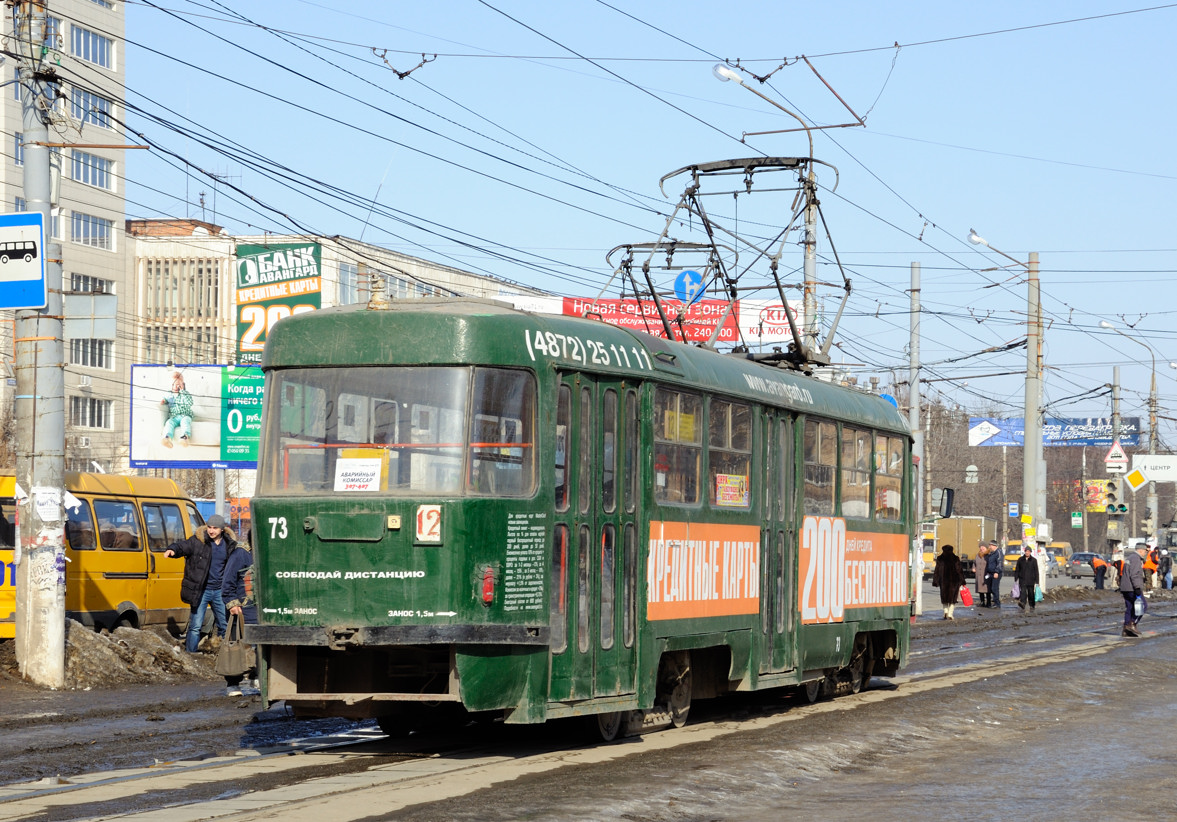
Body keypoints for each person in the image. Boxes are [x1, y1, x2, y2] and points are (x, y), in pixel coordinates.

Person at [165, 514, 233, 652]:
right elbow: (182, 546)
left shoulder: (229, 545)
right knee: (195, 626)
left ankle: (223, 654)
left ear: (222, 529)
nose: (211, 531)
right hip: (201, 590)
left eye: (215, 528)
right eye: (209, 527)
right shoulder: (198, 541)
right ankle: (191, 654)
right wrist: (173, 549)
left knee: (225, 625)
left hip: (220, 590)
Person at [221, 533, 257, 697]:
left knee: (259, 648)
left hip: (260, 613)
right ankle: (233, 683)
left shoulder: (267, 554)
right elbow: (227, 582)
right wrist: (232, 603)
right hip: (242, 611)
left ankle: (256, 678)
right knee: (236, 648)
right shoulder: (240, 554)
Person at [1119, 543, 1148, 637]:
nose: (1145, 553)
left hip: (1125, 587)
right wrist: (1137, 588)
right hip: (1132, 587)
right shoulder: (1136, 559)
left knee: (1130, 607)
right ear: (1140, 550)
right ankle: (1132, 624)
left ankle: (1126, 629)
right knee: (1142, 606)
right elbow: (1135, 574)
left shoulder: (1130, 557)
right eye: (1145, 551)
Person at [160, 371, 194, 448]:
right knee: (169, 423)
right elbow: (166, 399)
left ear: (183, 385)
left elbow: (190, 403)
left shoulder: (185, 394)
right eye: (173, 385)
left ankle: (185, 437)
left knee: (185, 422)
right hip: (174, 417)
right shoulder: (169, 394)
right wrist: (164, 401)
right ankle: (167, 438)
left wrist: (182, 391)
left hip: (185, 415)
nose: (175, 387)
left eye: (178, 385)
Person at [932, 544, 966, 620]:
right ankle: (950, 614)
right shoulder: (955, 558)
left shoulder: (940, 558)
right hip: (954, 581)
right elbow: (959, 570)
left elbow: (936, 571)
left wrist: (935, 581)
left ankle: (945, 611)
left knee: (944, 597)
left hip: (943, 581)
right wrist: (962, 580)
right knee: (953, 598)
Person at [1014, 544, 1040, 612]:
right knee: (1023, 593)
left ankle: (1032, 605)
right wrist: (1016, 578)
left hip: (1031, 580)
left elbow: (1036, 571)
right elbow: (1017, 569)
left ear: (1030, 552)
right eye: (1026, 551)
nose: (1027, 552)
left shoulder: (1034, 560)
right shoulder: (1020, 560)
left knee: (1031, 593)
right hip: (1022, 579)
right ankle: (1023, 603)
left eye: (1028, 551)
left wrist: (1037, 581)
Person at [984, 539, 1003, 608]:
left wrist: (996, 572)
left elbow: (999, 563)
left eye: (990, 545)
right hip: (991, 573)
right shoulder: (992, 553)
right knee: (991, 588)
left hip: (996, 573)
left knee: (994, 588)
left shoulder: (998, 552)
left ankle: (997, 603)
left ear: (994, 546)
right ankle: (995, 602)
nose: (989, 547)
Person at [974, 542, 991, 607]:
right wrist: (974, 568)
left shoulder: (989, 555)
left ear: (986, 548)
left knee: (987, 589)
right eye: (980, 547)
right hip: (979, 575)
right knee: (980, 589)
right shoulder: (978, 555)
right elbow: (974, 563)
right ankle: (982, 602)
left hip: (986, 574)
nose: (981, 548)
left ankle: (988, 603)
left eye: (983, 547)